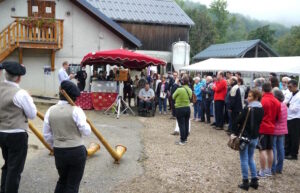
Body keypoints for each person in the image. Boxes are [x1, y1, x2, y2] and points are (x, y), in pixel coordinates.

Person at [43, 80, 91, 193]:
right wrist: (86, 121)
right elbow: (87, 132)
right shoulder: (77, 111)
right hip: (76, 151)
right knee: (72, 185)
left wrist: (55, 145)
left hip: (59, 151)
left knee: (62, 180)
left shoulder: (50, 110)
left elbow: (46, 134)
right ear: (74, 97)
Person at [0, 61, 37, 193]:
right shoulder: (21, 94)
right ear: (19, 77)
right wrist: (29, 98)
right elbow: (32, 114)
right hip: (17, 134)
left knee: (7, 165)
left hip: (1, 132)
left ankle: (3, 189)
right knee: (15, 169)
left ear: (5, 74)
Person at [232, 89, 264, 191]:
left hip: (245, 137)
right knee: (250, 159)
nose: (247, 98)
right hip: (255, 137)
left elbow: (238, 120)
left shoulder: (248, 108)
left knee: (244, 160)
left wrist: (234, 131)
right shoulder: (261, 108)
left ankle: (245, 182)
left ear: (256, 97)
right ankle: (254, 181)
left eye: (250, 96)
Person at [257, 82, 281, 178]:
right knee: (270, 149)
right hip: (271, 127)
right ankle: (269, 170)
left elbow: (258, 115)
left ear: (263, 90)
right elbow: (278, 117)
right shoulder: (276, 101)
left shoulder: (262, 101)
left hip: (262, 127)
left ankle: (262, 171)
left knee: (262, 149)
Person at [272, 89, 288, 174]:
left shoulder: (276, 105)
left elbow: (274, 118)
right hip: (282, 130)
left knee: (273, 148)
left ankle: (273, 168)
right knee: (281, 148)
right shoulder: (284, 105)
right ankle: (279, 168)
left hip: (275, 129)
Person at [172, 75, 192, 145]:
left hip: (180, 108)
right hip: (187, 108)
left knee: (181, 124)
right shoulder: (189, 89)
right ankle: (185, 138)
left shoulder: (179, 89)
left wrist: (175, 84)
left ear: (182, 81)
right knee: (186, 123)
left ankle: (182, 140)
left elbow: (173, 96)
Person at [285, 79, 300, 160]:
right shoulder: (292, 94)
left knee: (294, 137)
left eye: (290, 87)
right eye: (288, 87)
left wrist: (288, 104)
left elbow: (296, 109)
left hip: (296, 118)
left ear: (295, 86)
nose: (289, 88)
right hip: (289, 117)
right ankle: (287, 151)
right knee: (288, 136)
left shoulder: (299, 96)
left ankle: (294, 154)